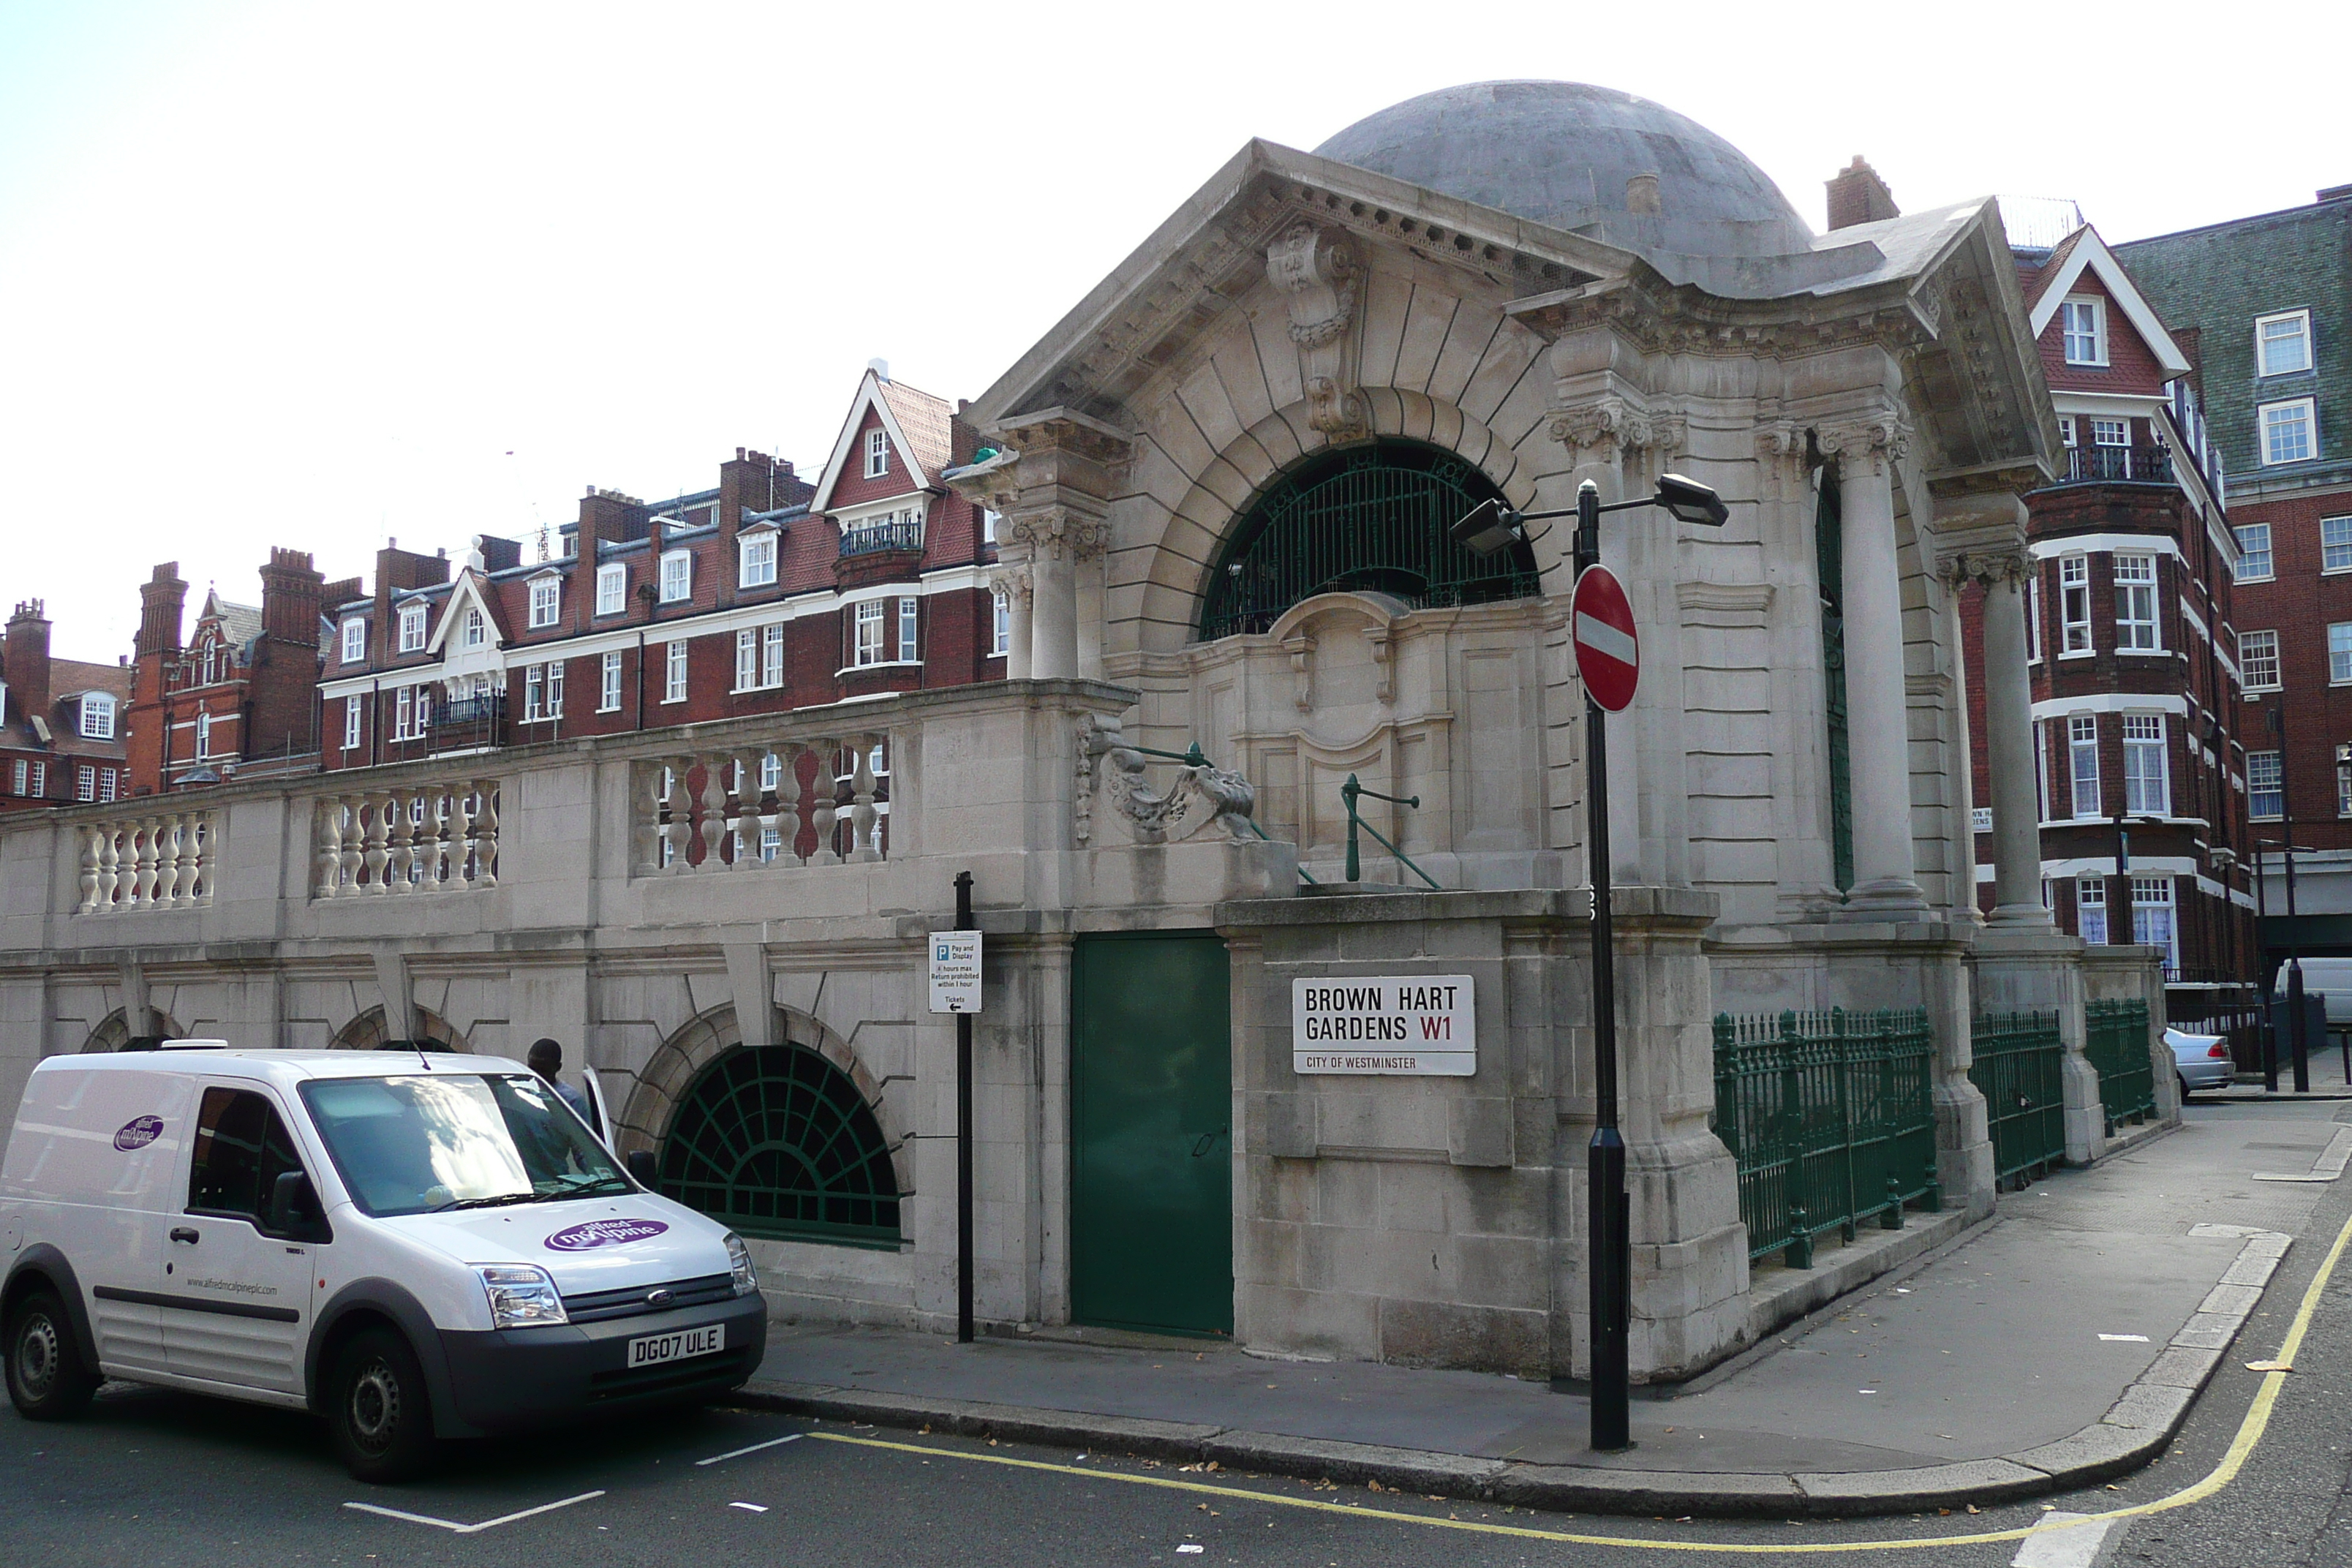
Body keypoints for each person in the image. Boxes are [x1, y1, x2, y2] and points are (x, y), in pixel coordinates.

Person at [526, 1038, 594, 1127]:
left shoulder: (572, 1100)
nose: (537, 1075)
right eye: (532, 1069)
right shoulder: (521, 1093)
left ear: (558, 1067)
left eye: (543, 1070)